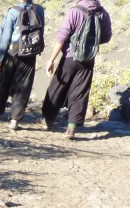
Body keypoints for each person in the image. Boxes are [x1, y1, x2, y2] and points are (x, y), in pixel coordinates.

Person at [41, 0, 112, 139]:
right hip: (88, 60)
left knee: (56, 88)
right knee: (80, 92)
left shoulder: (75, 11)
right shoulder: (103, 13)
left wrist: (51, 59)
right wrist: (91, 44)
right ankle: (72, 128)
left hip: (69, 57)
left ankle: (48, 121)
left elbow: (62, 36)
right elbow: (107, 37)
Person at [0, 1, 46, 130]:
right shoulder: (39, 10)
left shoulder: (13, 11)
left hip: (12, 53)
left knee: (3, 83)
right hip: (30, 53)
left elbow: (5, 37)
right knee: (24, 88)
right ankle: (15, 120)